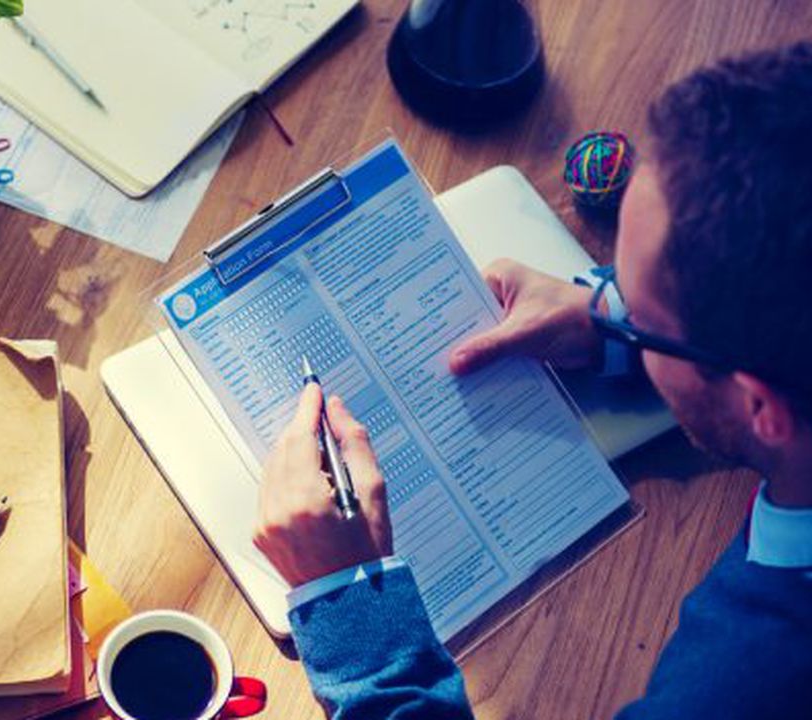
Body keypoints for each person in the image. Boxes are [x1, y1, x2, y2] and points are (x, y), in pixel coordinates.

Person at [253, 42, 812, 719]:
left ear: (762, 406)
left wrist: (354, 613)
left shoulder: (740, 690)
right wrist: (604, 315)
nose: (611, 304)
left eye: (641, 318)